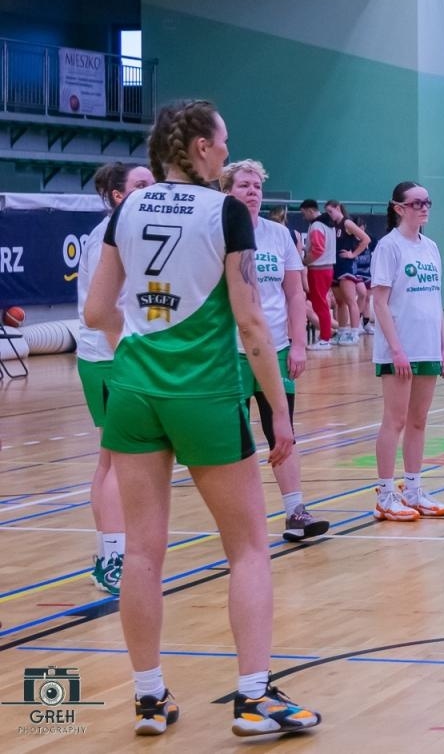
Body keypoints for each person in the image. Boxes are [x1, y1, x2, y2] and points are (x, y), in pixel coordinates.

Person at [84, 99, 321, 738]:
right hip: (206, 394)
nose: (226, 152)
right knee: (247, 548)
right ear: (198, 149)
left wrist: (135, 352)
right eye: (221, 143)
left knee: (142, 553)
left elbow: (96, 310)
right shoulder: (224, 212)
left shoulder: (128, 207)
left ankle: (150, 698)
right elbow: (249, 323)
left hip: (133, 389)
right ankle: (252, 698)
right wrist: (278, 409)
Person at [221, 160, 330, 544]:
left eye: (257, 186)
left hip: (275, 350)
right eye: (244, 186)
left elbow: (294, 294)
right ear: (227, 191)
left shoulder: (279, 235)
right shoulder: (215, 233)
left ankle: (295, 512)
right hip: (229, 352)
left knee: (282, 431)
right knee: (232, 441)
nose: (252, 192)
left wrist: (298, 344)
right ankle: (240, 520)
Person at [76, 160, 154, 596]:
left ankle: (109, 554)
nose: (152, 188)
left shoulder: (134, 233)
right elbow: (103, 310)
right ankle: (113, 559)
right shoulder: (107, 236)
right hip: (109, 357)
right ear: (120, 195)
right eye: (142, 183)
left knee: (109, 460)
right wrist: (126, 356)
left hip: (119, 353)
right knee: (115, 462)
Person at [370, 182, 444, 521]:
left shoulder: (431, 247)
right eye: (416, 203)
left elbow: (435, 302)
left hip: (427, 347)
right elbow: (379, 300)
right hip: (399, 350)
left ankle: (414, 489)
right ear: (399, 208)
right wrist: (396, 349)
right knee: (396, 420)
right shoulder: (388, 247)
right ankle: (385, 494)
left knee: (418, 421)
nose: (423, 207)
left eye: (427, 202)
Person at [326, 201, 371, 346]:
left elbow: (365, 239)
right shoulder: (333, 226)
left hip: (346, 266)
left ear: (338, 208)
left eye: (330, 211)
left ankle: (354, 332)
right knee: (340, 302)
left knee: (351, 301)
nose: (329, 215)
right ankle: (342, 331)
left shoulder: (347, 223)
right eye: (327, 213)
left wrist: (353, 254)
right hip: (335, 265)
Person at [298, 199, 335, 350]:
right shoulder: (329, 225)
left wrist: (305, 261)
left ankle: (325, 338)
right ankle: (326, 335)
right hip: (327, 268)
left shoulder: (316, 226)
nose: (303, 217)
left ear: (310, 210)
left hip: (319, 269)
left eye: (303, 213)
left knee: (320, 305)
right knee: (320, 304)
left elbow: (318, 250)